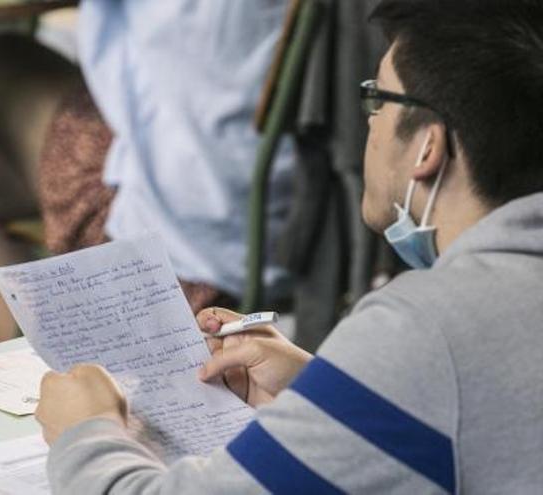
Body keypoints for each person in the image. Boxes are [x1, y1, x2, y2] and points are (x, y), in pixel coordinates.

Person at [34, 0, 543, 492]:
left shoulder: (427, 331)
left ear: (428, 147)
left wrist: (87, 431)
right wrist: (325, 389)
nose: (368, 120)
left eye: (377, 98)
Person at [0, 1, 295, 344]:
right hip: (306, 215)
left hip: (186, 243)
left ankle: (37, 373)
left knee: (0, 60)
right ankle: (34, 371)